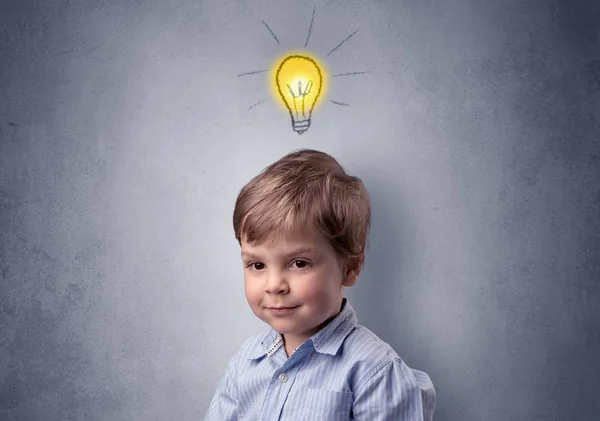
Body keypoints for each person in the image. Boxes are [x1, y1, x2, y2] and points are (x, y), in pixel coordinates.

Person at [204, 149, 436, 420]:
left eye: (299, 263)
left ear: (350, 267)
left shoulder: (373, 370)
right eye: (258, 265)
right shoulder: (246, 361)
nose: (274, 285)